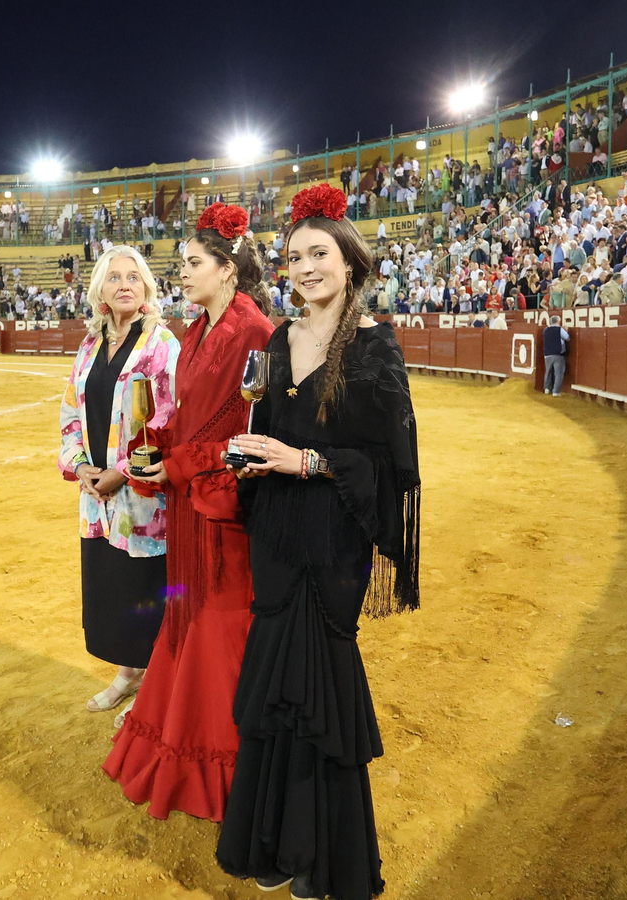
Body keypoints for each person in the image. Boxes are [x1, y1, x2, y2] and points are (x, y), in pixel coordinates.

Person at [216, 185, 419, 900]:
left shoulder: (374, 347)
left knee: (321, 693)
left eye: (319, 254)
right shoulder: (277, 340)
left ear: (350, 263)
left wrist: (307, 461)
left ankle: (325, 861)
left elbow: (390, 465)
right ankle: (273, 845)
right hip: (276, 535)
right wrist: (245, 455)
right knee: (272, 690)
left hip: (333, 542)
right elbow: (265, 428)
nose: (304, 268)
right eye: (294, 256)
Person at [104, 204, 275, 821]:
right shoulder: (200, 329)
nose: (182, 274)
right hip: (192, 505)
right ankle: (183, 747)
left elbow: (244, 432)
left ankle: (227, 773)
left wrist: (173, 463)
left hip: (222, 511)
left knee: (217, 629)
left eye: (193, 263)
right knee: (191, 621)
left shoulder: (252, 331)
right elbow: (192, 416)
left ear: (228, 270)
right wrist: (158, 442)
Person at [58, 246, 181, 718]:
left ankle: (157, 691)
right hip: (97, 499)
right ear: (100, 291)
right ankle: (129, 675)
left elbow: (168, 420)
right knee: (114, 588)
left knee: (145, 591)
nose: (125, 284)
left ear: (147, 287)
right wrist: (82, 466)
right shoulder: (90, 346)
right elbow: (71, 412)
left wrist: (120, 473)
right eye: (114, 278)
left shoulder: (161, 343)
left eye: (134, 276)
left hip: (143, 501)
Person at [541, 314, 570, 395]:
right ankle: (555, 391)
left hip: (547, 355)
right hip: (558, 355)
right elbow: (567, 338)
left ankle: (547, 389)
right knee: (558, 373)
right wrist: (566, 330)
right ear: (558, 321)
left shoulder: (545, 330)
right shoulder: (560, 329)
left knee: (548, 372)